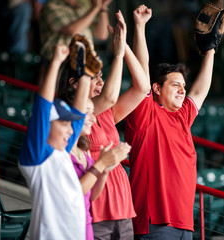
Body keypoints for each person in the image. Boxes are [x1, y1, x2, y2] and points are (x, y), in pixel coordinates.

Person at [124, 6, 221, 240]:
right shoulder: (144, 114)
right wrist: (139, 27)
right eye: (175, 84)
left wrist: (210, 51)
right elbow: (141, 73)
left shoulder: (182, 117)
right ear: (156, 89)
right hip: (155, 224)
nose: (182, 90)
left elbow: (198, 91)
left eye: (183, 86)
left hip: (185, 224)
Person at [58, 7, 151, 239]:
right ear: (75, 83)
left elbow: (143, 88)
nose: (100, 84)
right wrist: (117, 55)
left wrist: (124, 45)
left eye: (101, 79)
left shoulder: (107, 114)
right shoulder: (72, 115)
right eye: (95, 79)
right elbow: (109, 96)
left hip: (122, 204)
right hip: (96, 209)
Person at [18, 43, 91, 240]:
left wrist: (85, 76)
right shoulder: (38, 158)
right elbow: (42, 106)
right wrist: (56, 62)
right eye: (64, 124)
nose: (70, 131)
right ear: (47, 126)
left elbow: (79, 113)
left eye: (70, 125)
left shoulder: (63, 151)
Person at [71, 98, 132, 240]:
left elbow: (91, 194)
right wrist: (102, 164)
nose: (93, 117)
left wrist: (104, 170)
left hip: (90, 225)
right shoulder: (59, 152)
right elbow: (74, 194)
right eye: (87, 112)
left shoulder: (83, 152)